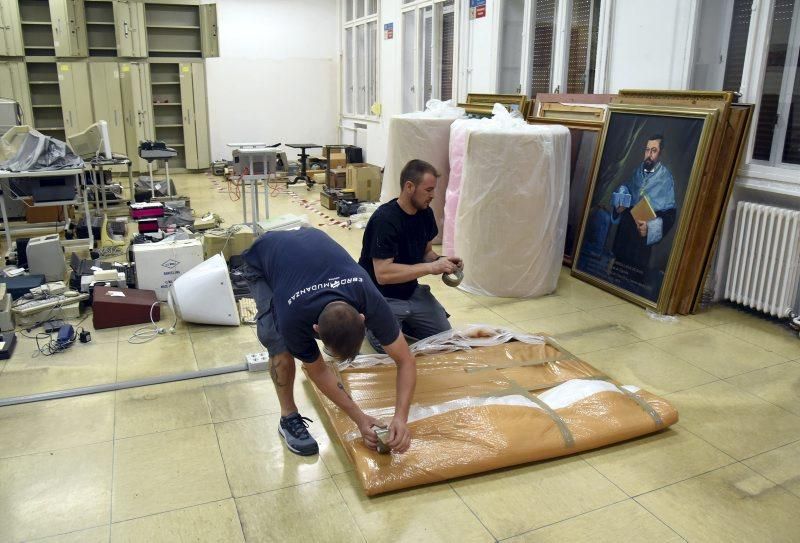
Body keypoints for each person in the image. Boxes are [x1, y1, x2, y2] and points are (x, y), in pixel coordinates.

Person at [241, 227, 416, 456]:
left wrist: (401, 418)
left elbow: (406, 361)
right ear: (315, 329)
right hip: (262, 258)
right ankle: (287, 417)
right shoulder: (293, 317)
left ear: (364, 319)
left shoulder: (369, 297)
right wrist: (359, 418)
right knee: (279, 344)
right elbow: (318, 371)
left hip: (307, 242)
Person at [358, 159, 463, 352]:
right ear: (409, 187)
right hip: (383, 297)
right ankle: (370, 320)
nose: (433, 195)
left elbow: (426, 254)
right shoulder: (385, 220)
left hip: (411, 292)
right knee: (387, 348)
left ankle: (405, 322)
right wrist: (431, 268)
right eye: (428, 190)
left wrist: (442, 261)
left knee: (444, 339)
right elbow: (383, 275)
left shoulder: (425, 214)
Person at [609, 134, 677, 280]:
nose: (649, 154)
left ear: (661, 154)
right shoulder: (637, 171)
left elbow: (670, 215)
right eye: (647, 150)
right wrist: (619, 205)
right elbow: (626, 191)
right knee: (615, 274)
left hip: (641, 241)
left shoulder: (666, 178)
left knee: (632, 280)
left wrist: (650, 228)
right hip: (624, 236)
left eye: (654, 151)